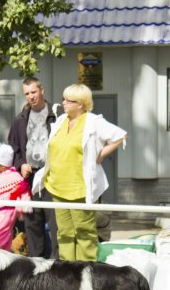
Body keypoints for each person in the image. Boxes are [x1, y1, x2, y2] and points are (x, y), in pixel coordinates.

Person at [32, 83, 126, 261]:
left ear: (81, 104)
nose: (64, 103)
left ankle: (87, 270)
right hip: (57, 186)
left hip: (79, 187)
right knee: (64, 233)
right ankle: (68, 271)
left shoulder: (93, 121)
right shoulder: (61, 121)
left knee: (84, 232)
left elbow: (120, 135)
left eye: (69, 100)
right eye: (64, 99)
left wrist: (101, 155)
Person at [7, 77, 59, 258]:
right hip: (29, 179)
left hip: (51, 177)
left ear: (42, 90)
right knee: (32, 224)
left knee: (54, 223)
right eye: (27, 93)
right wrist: (21, 164)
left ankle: (56, 263)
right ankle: (36, 263)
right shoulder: (20, 119)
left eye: (33, 92)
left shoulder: (56, 116)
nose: (31, 97)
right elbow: (13, 147)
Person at [0, 143, 31, 251]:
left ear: (3, 165)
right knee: (5, 235)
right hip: (3, 210)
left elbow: (21, 188)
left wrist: (24, 181)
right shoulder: (2, 174)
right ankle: (4, 253)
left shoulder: (12, 175)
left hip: (8, 209)